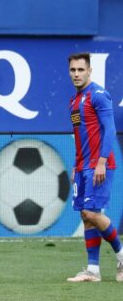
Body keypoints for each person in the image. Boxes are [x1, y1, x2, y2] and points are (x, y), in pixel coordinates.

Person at [65, 52, 123, 282]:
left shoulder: (99, 95)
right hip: (83, 166)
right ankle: (93, 270)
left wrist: (101, 162)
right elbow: (79, 135)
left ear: (89, 70)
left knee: (92, 212)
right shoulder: (74, 101)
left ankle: (121, 255)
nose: (77, 74)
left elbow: (109, 129)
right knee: (86, 216)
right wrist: (75, 165)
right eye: (73, 70)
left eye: (81, 69)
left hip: (99, 164)